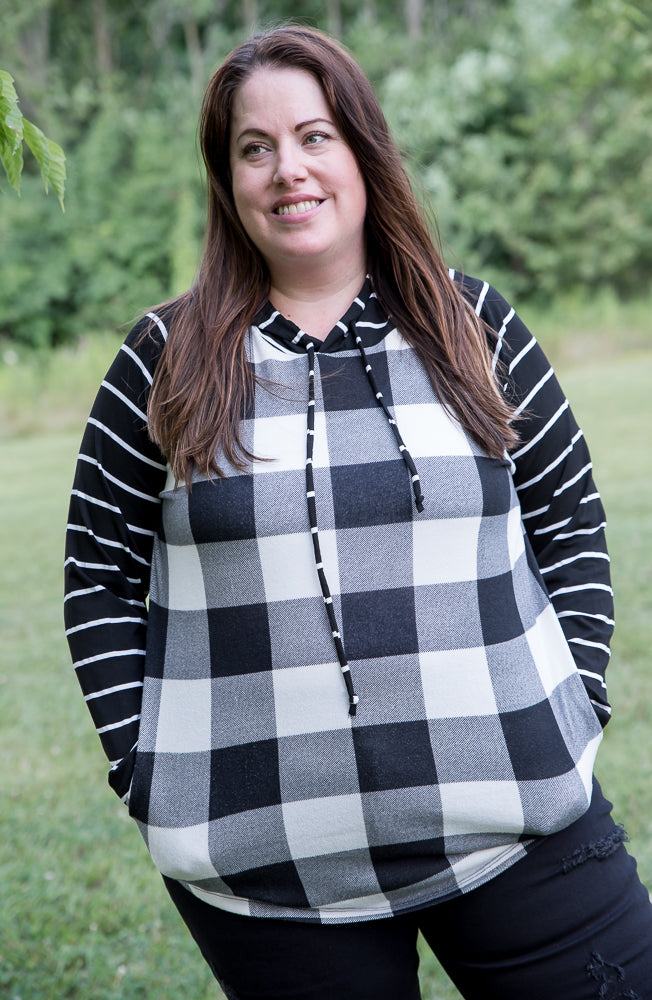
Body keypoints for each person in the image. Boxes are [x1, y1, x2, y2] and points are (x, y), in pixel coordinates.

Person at [63, 24, 652, 1000]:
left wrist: (576, 699)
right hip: (263, 876)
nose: (285, 169)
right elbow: (98, 575)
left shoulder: (474, 324)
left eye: (312, 136)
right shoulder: (161, 358)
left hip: (515, 826)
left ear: (362, 149)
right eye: (254, 148)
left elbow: (569, 516)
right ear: (227, 178)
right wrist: (144, 765)